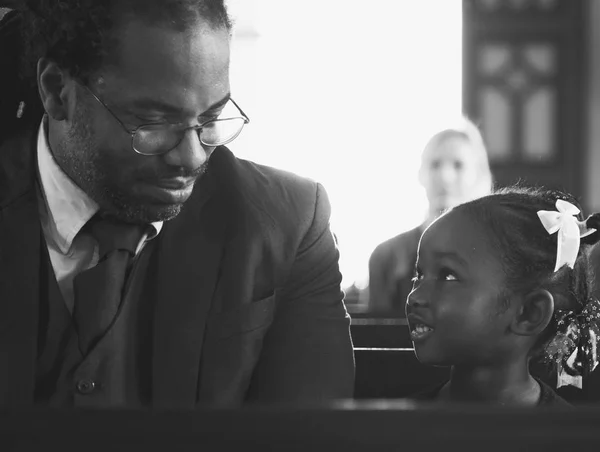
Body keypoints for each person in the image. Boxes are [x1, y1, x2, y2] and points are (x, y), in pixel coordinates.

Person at [0, 1, 355, 408]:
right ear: (57, 91)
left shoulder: (290, 223)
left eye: (211, 118)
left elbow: (310, 437)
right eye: (154, 122)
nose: (192, 157)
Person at [406, 186, 600, 406]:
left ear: (529, 313)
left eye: (448, 276)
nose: (415, 297)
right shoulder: (396, 427)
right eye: (419, 275)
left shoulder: (572, 437)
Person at [368, 118, 492, 315]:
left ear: (477, 175)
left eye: (458, 165)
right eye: (435, 164)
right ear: (421, 174)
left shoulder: (494, 253)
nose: (445, 176)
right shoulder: (386, 256)